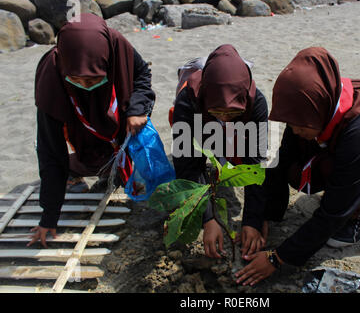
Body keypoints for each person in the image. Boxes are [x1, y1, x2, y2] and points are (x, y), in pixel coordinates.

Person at [235, 47, 360, 286]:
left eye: (299, 125)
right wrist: (261, 217)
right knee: (297, 168)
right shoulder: (309, 110)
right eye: (291, 123)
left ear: (319, 106)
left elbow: (332, 214)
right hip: (353, 146)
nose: (294, 129)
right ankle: (344, 189)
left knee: (336, 176)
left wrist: (277, 259)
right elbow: (281, 161)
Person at [29, 13, 155, 247]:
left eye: (93, 79)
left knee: (124, 152)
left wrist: (137, 109)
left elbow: (141, 75)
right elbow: (50, 153)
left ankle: (112, 166)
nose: (86, 86)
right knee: (75, 162)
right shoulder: (51, 80)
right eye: (78, 79)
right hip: (77, 122)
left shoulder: (116, 46)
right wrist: (49, 217)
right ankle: (80, 167)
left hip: (117, 116)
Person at [171, 44, 268, 259]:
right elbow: (188, 164)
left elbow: (255, 164)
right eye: (218, 111)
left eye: (232, 112)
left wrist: (252, 221)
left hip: (230, 127)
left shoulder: (256, 103)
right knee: (195, 157)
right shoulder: (188, 100)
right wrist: (207, 218)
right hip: (198, 120)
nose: (224, 117)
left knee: (234, 151)